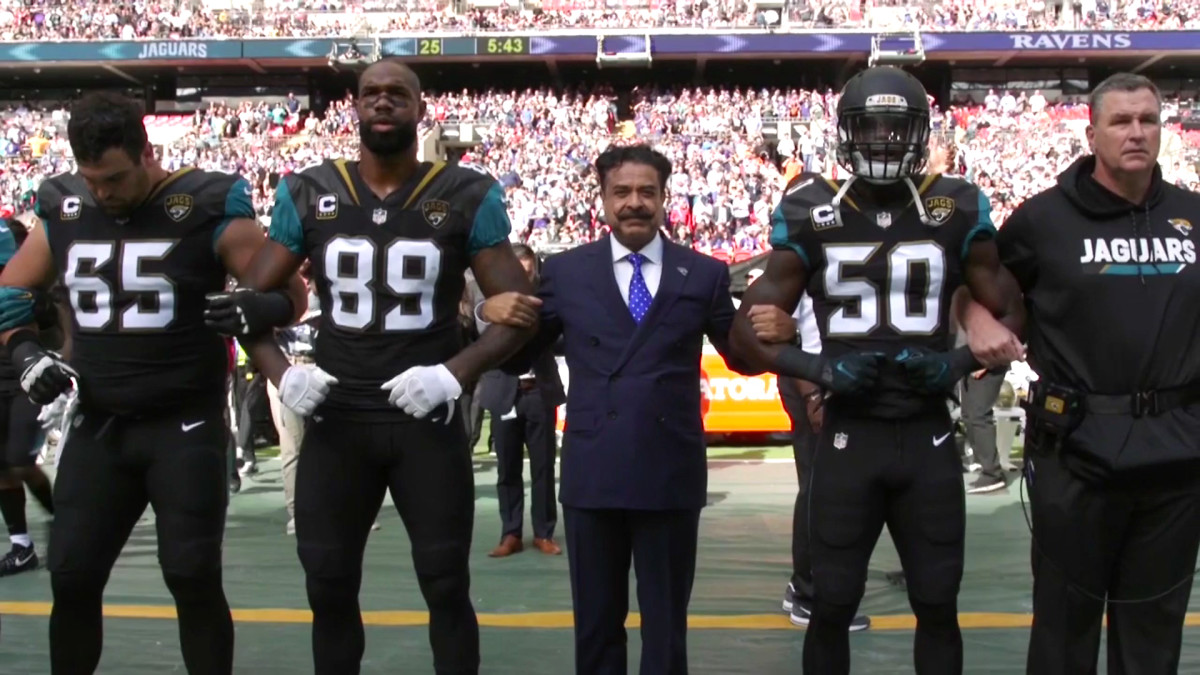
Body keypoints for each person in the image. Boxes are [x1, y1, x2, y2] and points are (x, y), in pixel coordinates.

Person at [205, 58, 539, 675]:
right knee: (328, 585)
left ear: (420, 106)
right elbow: (244, 305)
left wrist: (453, 372)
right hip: (339, 417)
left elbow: (520, 314)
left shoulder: (467, 192)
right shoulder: (306, 190)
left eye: (397, 94)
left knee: (444, 583)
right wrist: (282, 372)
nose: (383, 103)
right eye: (370, 94)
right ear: (354, 107)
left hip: (426, 419)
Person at [0, 91, 309, 675]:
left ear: (147, 152)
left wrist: (253, 307)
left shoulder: (204, 202)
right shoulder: (63, 205)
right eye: (91, 180)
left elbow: (291, 294)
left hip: (183, 423)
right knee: (70, 574)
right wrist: (25, 356)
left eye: (114, 178)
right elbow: (9, 295)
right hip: (100, 421)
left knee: (191, 574)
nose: (103, 193)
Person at [728, 66, 1023, 675]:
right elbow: (742, 335)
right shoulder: (814, 208)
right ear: (846, 133)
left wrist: (955, 362)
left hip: (927, 434)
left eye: (897, 127)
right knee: (831, 603)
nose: (884, 140)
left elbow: (1014, 309)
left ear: (921, 133)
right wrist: (823, 371)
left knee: (938, 603)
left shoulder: (955, 203)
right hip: (847, 434)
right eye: (871, 126)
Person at [478, 144, 793, 675]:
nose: (634, 203)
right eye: (621, 192)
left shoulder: (705, 273)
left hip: (669, 474)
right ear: (602, 199)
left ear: (665, 198)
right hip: (592, 474)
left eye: (647, 192)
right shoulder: (566, 272)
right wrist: (492, 314)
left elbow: (740, 356)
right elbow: (521, 353)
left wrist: (783, 334)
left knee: (666, 628)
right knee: (596, 628)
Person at [961, 72, 1200, 675]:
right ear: (1092, 132)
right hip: (1077, 453)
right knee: (1064, 630)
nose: (1137, 132)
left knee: (1153, 632)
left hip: (1177, 454)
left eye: (1148, 119)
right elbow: (973, 283)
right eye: (1121, 121)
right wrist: (971, 317)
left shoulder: (1193, 216)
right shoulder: (1042, 221)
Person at [475, 243, 565, 558]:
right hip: (504, 392)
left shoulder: (549, 301)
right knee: (507, 468)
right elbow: (483, 337)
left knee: (543, 467)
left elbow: (563, 341)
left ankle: (543, 532)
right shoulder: (492, 299)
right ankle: (510, 533)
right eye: (520, 272)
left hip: (539, 392)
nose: (524, 278)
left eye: (529, 273)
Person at [0, 216, 59, 577]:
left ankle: (60, 516)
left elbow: (55, 329)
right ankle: (21, 545)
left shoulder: (30, 288)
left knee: (20, 462)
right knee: (1, 468)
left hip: (25, 381)